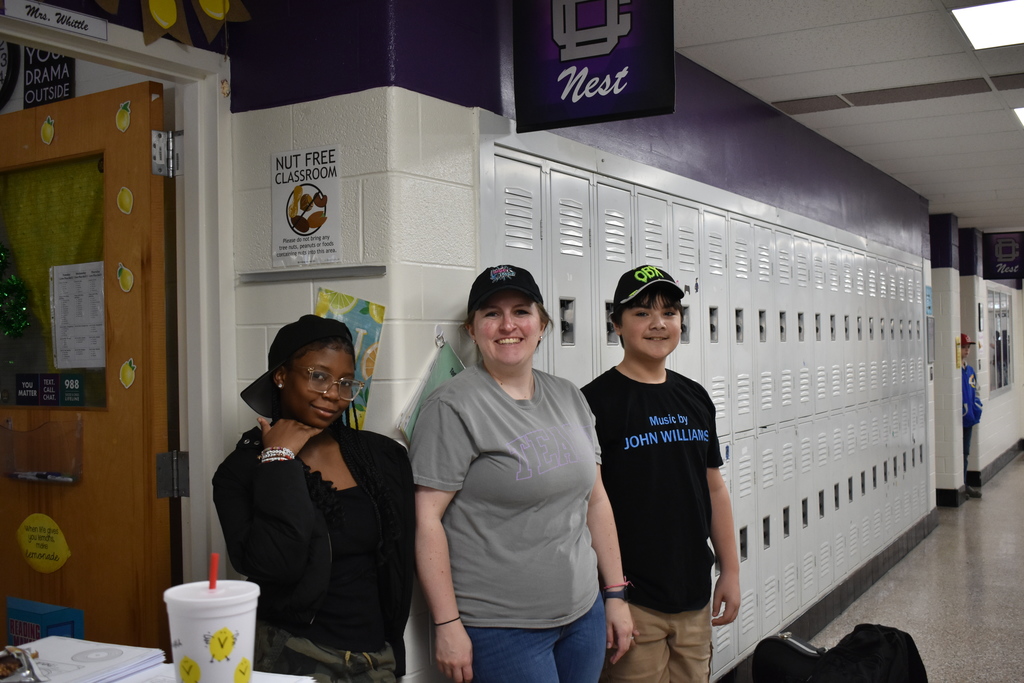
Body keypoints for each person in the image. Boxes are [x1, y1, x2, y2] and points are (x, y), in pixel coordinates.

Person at [410, 264, 634, 683]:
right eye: (491, 314)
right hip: (501, 628)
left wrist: (615, 594)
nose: (507, 325)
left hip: (583, 613)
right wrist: (446, 624)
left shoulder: (568, 395)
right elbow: (427, 520)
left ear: (542, 324)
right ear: (472, 330)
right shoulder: (452, 407)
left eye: (521, 311)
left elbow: (597, 500)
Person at [213, 314, 415, 683]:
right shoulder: (239, 473)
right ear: (281, 376)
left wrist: (393, 653)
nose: (333, 395)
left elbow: (398, 567)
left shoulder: (381, 457)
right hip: (291, 658)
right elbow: (277, 564)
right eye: (318, 376)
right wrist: (278, 461)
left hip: (374, 660)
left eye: (345, 383)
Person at [582, 265, 740, 683]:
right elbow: (590, 504)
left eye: (669, 312)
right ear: (616, 324)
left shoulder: (694, 396)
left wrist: (731, 570)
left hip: (693, 595)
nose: (658, 324)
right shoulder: (593, 403)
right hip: (633, 601)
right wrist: (613, 594)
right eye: (641, 313)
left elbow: (714, 489)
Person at [961, 333, 983, 499]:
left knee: (966, 453)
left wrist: (977, 409)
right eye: (963, 347)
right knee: (959, 452)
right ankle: (960, 484)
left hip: (969, 419)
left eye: (968, 348)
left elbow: (975, 391)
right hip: (959, 418)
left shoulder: (969, 371)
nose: (966, 351)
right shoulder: (956, 371)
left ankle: (965, 483)